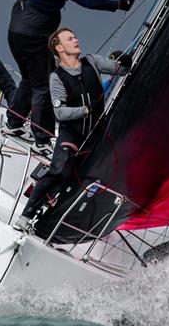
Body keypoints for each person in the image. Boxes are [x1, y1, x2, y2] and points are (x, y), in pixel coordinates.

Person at [2, 0, 135, 154]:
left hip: (15, 31)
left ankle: (13, 123)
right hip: (35, 36)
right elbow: (87, 0)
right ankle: (42, 141)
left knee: (29, 78)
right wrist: (118, 4)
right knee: (43, 85)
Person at [13, 27, 132, 232]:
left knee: (90, 176)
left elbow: (120, 70)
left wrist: (126, 60)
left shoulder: (92, 61)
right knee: (60, 169)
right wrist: (86, 110)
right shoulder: (57, 77)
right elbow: (61, 113)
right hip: (72, 133)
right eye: (70, 38)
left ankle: (64, 223)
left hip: (95, 132)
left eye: (75, 36)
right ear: (59, 47)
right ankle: (26, 216)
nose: (76, 40)